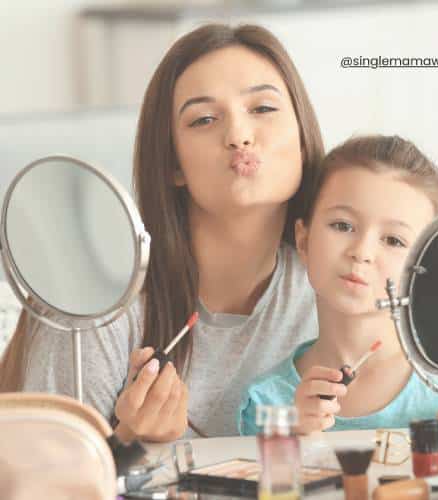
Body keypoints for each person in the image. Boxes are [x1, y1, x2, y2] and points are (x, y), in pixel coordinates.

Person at [0, 24, 325, 441]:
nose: (239, 135)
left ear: (302, 137)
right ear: (172, 164)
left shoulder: (335, 285)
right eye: (204, 119)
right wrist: (129, 444)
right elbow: (51, 477)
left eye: (262, 109)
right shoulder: (96, 305)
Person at [238, 135, 438, 435]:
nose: (361, 252)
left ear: (429, 268)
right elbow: (270, 481)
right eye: (343, 226)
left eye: (393, 240)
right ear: (303, 239)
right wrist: (289, 437)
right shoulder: (267, 405)